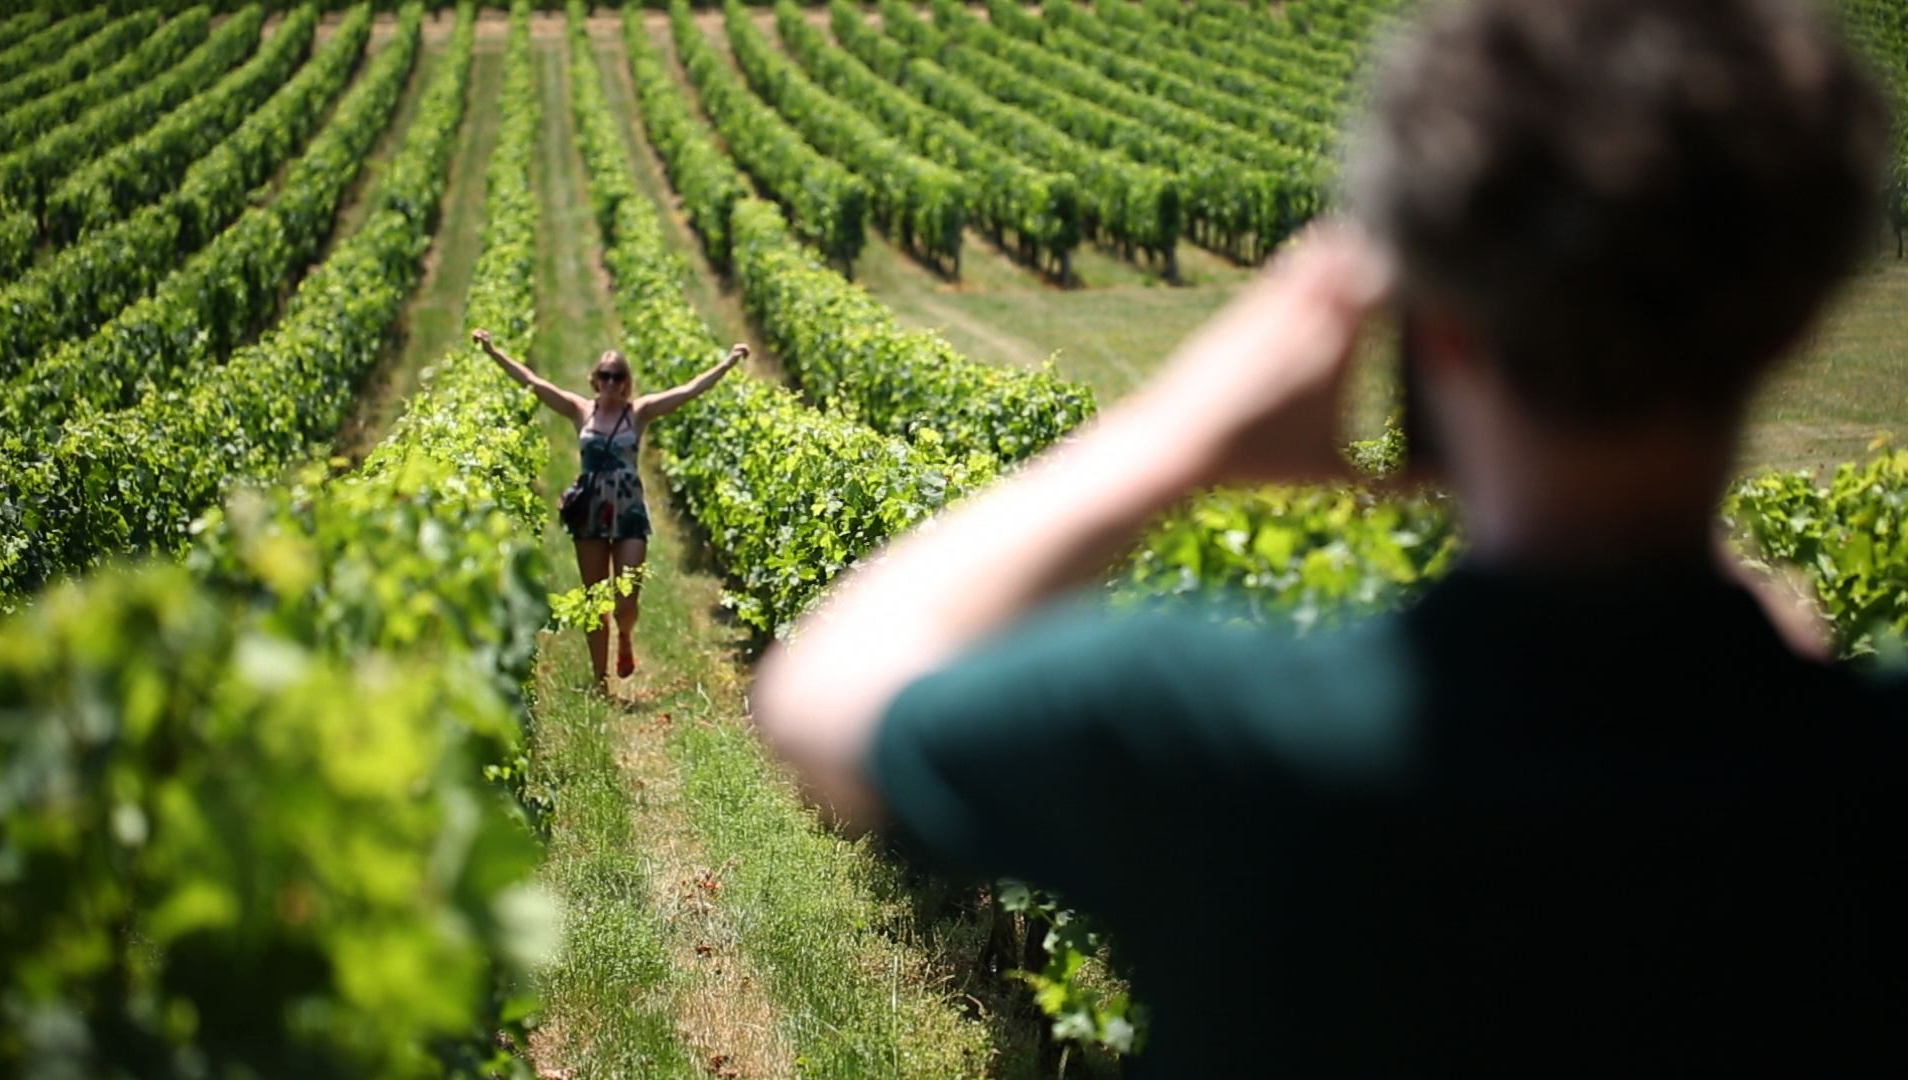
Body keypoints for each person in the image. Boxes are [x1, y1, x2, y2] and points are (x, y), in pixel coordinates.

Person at [750, 0, 1908, 1073]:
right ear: (1793, 321)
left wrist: (1173, 435)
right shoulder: (1863, 781)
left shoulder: (1220, 724)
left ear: (1430, 315)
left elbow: (822, 694)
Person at [474, 328, 748, 687]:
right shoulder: (579, 411)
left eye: (618, 376)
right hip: (591, 510)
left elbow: (689, 390)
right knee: (595, 599)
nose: (611, 382)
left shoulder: (640, 413)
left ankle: (627, 635)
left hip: (629, 510)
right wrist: (493, 351)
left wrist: (728, 362)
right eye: (604, 375)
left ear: (626, 382)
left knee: (627, 596)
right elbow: (533, 382)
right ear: (594, 380)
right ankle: (599, 678)